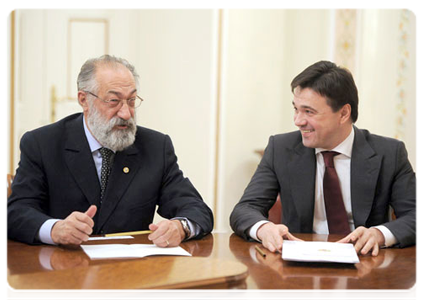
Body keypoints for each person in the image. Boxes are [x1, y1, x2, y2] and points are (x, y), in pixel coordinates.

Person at [6, 55, 213, 247]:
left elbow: (197, 209)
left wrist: (180, 227)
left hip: (129, 274)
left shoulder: (155, 147)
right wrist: (54, 229)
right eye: (114, 101)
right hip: (61, 271)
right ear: (84, 100)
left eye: (131, 101)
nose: (126, 113)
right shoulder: (43, 144)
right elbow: (15, 213)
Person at [230, 60, 420, 256]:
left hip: (366, 263)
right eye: (296, 109)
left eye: (309, 112)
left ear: (344, 113)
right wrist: (264, 228)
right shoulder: (281, 149)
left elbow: (417, 215)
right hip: (299, 267)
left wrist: (379, 234)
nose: (298, 121)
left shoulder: (389, 153)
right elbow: (245, 209)